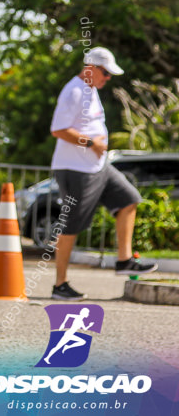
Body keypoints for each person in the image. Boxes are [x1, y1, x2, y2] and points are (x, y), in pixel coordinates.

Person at [49, 46, 157, 301]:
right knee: (71, 225)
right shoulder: (73, 91)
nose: (107, 78)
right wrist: (91, 143)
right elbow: (58, 129)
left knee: (129, 199)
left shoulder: (91, 91)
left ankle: (124, 260)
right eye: (105, 73)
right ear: (91, 68)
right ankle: (59, 285)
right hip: (76, 170)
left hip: (98, 168)